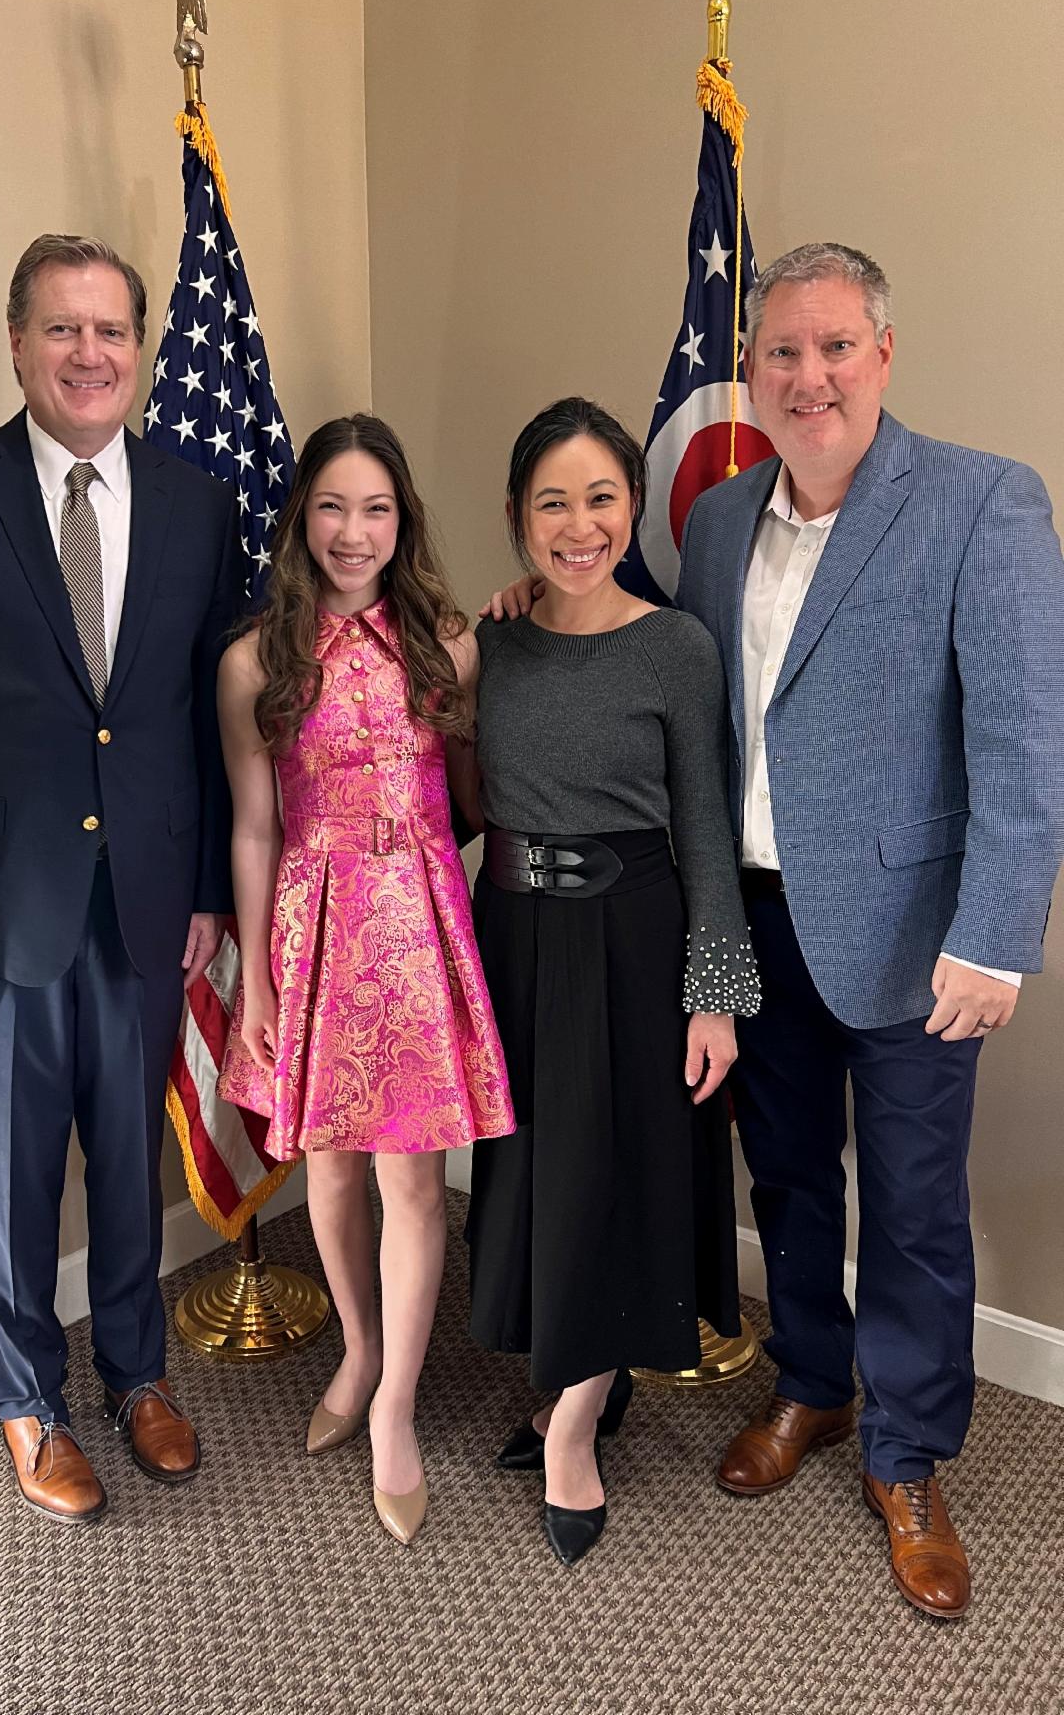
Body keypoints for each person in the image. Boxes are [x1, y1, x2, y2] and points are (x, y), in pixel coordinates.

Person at [487, 245, 1064, 1615]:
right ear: (753, 368)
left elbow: (1027, 743)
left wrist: (996, 937)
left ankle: (910, 1453)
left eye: (835, 348)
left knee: (915, 1210)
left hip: (917, 937)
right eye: (783, 352)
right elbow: (656, 682)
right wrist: (531, 606)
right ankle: (814, 1385)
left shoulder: (983, 503)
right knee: (790, 1180)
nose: (808, 376)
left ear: (882, 353)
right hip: (751, 922)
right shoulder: (726, 516)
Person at [0, 235, 240, 1524]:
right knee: (19, 1173)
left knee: (131, 1159)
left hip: (146, 902)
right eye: (64, 329)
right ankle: (29, 1400)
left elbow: (198, 712)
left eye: (112, 331)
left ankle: (138, 1373)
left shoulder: (197, 502)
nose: (92, 353)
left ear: (140, 349)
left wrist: (205, 892)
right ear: (17, 343)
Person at [466, 397, 759, 1567]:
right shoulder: (485, 642)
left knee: (606, 1177)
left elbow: (707, 825)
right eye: (553, 502)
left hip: (634, 935)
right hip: (512, 933)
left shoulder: (676, 646)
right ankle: (569, 1371)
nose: (579, 524)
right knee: (534, 1171)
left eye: (601, 498)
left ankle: (576, 1420)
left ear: (634, 507)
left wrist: (716, 991)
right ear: (516, 518)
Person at [215, 413, 515, 1547]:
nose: (353, 531)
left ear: (404, 520)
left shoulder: (449, 641)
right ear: (302, 518)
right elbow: (253, 828)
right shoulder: (257, 659)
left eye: (376, 508)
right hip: (312, 924)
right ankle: (363, 1347)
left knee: (413, 1185)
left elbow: (483, 796)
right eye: (333, 507)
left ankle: (395, 1409)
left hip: (421, 924)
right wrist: (256, 985)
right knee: (330, 1177)